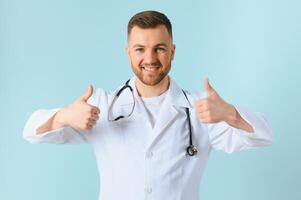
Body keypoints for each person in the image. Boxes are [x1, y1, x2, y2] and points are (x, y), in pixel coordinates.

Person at [23, 10, 273, 200]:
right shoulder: (103, 106)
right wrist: (63, 117)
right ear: (128, 52)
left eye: (160, 49)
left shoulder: (201, 110)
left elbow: (264, 136)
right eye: (140, 49)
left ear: (172, 52)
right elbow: (31, 132)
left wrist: (229, 114)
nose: (150, 59)